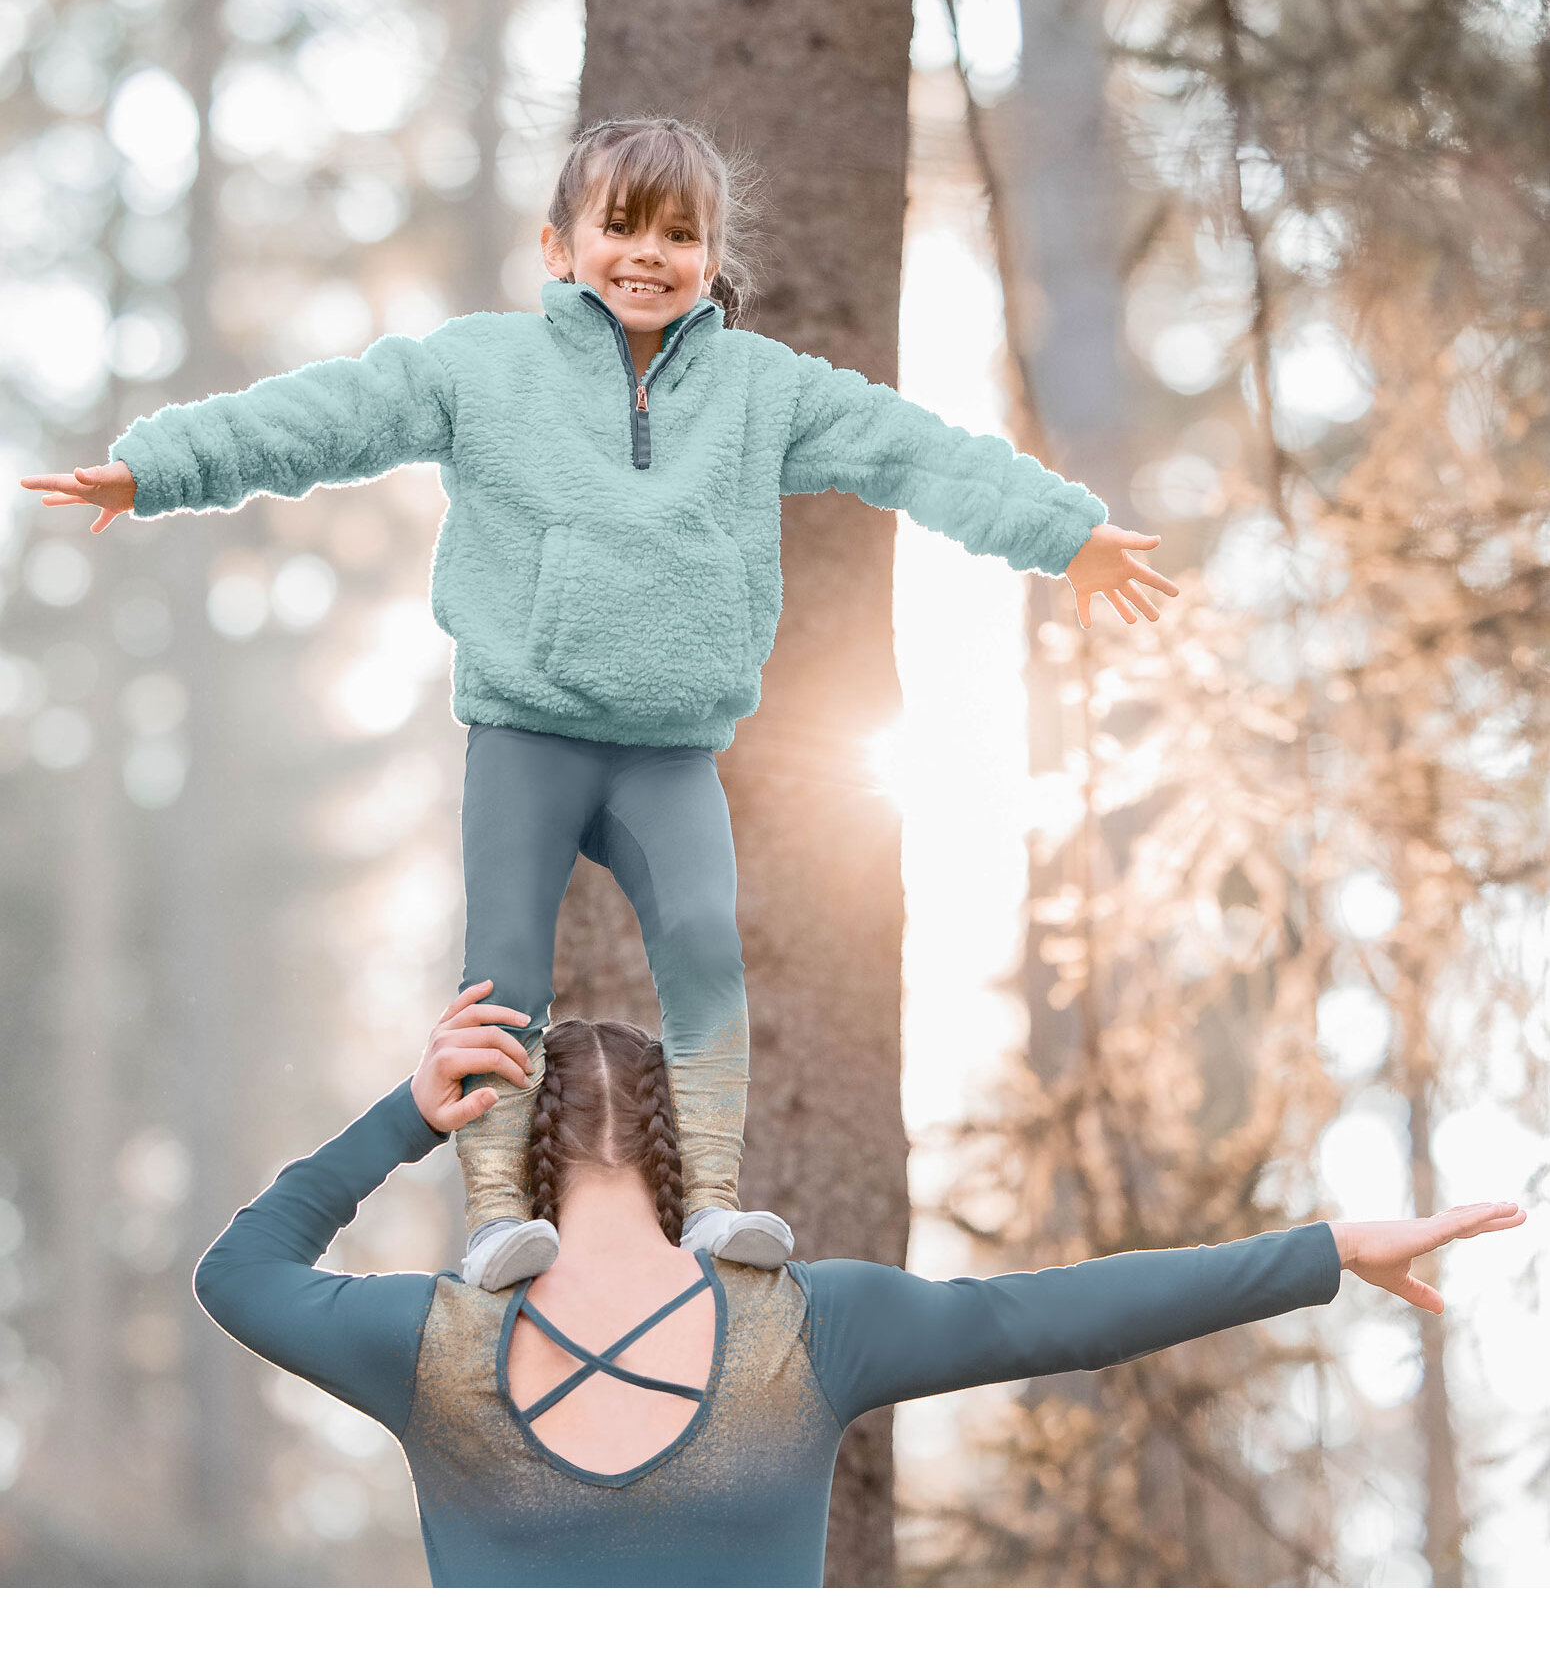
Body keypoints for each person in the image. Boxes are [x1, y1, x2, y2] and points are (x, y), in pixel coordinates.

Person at [22, 115, 1180, 1294]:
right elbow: (324, 417)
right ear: (558, 244)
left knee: (702, 950)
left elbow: (915, 453)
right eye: (619, 226)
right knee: (504, 972)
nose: (648, 253)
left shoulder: (761, 390)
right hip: (526, 732)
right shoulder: (481, 368)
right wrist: (157, 469)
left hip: (666, 752)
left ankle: (716, 1204)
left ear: (711, 254)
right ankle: (492, 1213)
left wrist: (1067, 535)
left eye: (680, 234)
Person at [191, 983, 1526, 1589]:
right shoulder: (806, 1326)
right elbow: (1059, 1311)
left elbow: (240, 1273)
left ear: (505, 1165)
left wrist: (404, 1117)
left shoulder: (428, 1345)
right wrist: (1333, 1249)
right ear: (685, 1154)